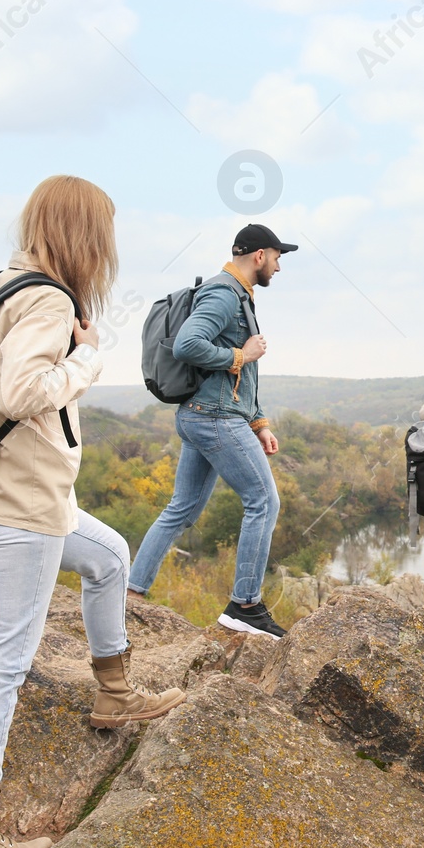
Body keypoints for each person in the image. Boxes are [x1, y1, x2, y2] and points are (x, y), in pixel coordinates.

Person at [0, 176, 184, 848]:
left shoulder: (1, 284)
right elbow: (20, 391)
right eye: (104, 233)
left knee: (109, 555)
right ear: (87, 236)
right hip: (20, 507)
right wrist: (86, 359)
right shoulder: (46, 297)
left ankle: (114, 690)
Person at [126, 223, 296, 640]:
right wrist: (240, 353)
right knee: (263, 502)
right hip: (215, 417)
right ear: (259, 256)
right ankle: (245, 605)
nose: (278, 266)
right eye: (277, 257)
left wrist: (259, 423)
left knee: (181, 508)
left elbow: (243, 375)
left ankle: (130, 593)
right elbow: (187, 344)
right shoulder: (224, 293)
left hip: (210, 413)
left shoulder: (239, 295)